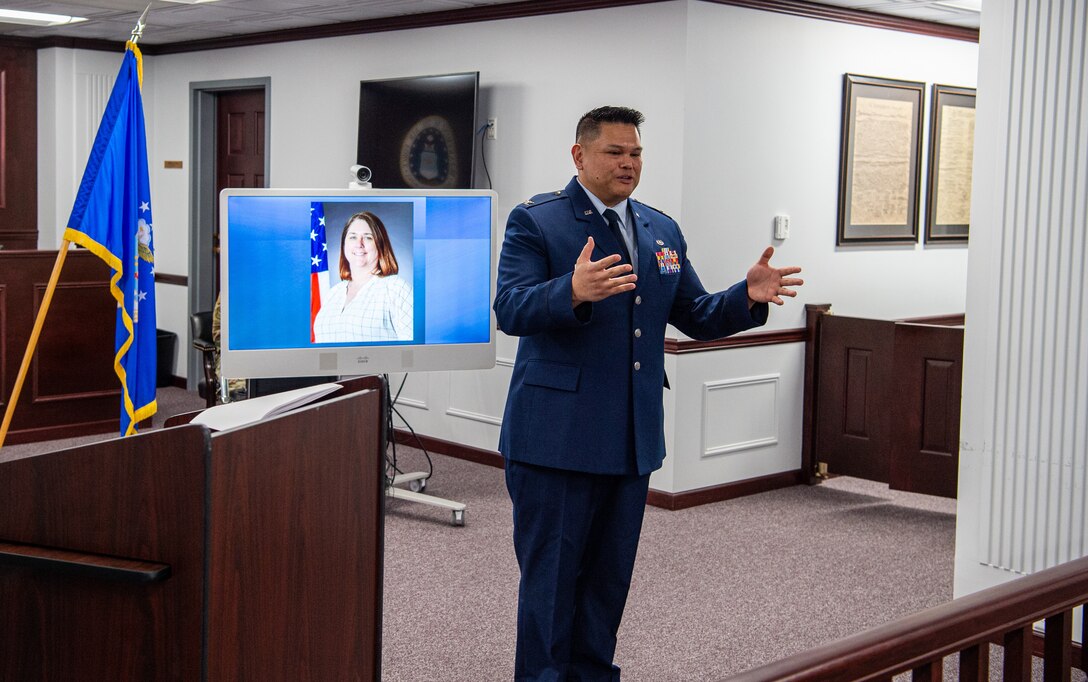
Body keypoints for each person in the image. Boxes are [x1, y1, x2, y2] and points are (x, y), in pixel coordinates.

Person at [493, 106, 803, 681]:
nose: (629, 163)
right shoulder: (538, 222)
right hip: (554, 441)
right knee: (552, 587)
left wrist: (748, 296)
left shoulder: (660, 229)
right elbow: (510, 309)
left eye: (635, 152)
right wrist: (572, 292)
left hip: (630, 439)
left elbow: (696, 314)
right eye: (615, 152)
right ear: (579, 156)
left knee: (607, 585)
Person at [312, 210, 413, 342]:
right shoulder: (333, 293)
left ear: (381, 245)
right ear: (344, 245)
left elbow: (415, 353)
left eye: (368, 237)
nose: (359, 244)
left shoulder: (396, 288)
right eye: (353, 237)